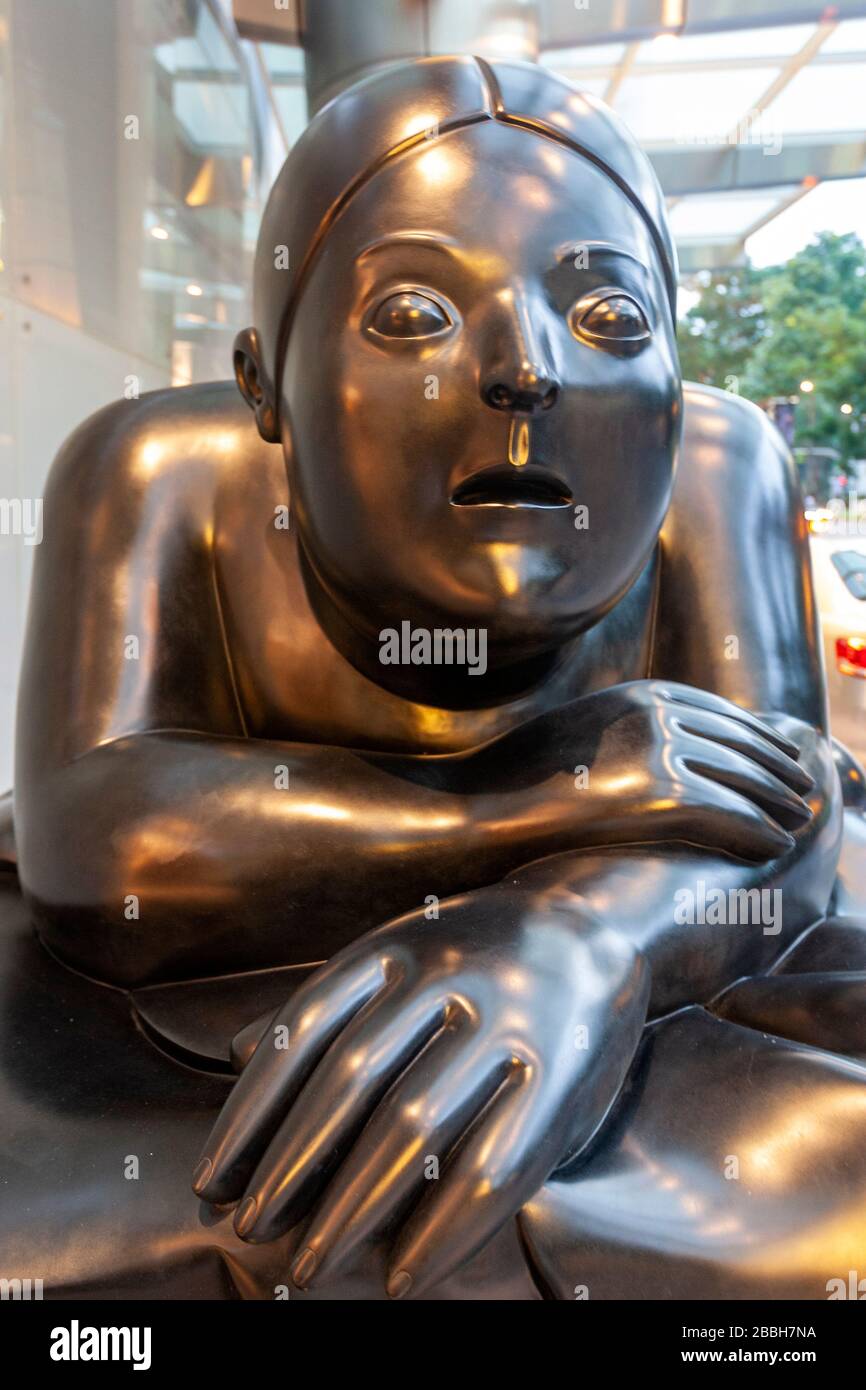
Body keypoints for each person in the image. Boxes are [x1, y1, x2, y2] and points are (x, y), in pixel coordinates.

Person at [5, 57, 854, 1299]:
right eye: (413, 315)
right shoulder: (158, 469)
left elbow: (785, 810)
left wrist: (583, 942)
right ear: (265, 387)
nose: (527, 369)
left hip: (648, 972)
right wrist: (532, 792)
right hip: (208, 996)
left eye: (609, 318)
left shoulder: (717, 466)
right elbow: (94, 845)